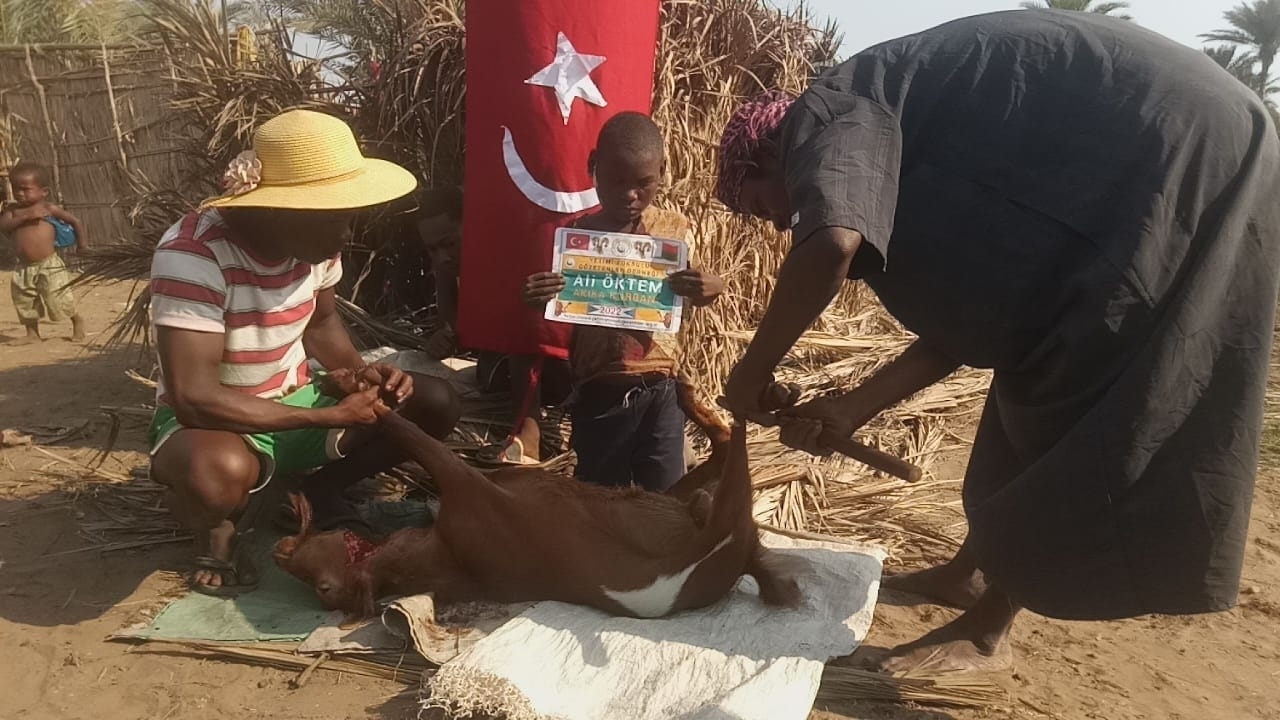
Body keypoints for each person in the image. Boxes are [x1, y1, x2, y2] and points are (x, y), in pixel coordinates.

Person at [715, 10, 1280, 674]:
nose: (777, 222)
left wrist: (750, 373)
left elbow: (831, 246)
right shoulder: (901, 151)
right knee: (1029, 344)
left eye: (757, 203)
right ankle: (971, 574)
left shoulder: (824, 113)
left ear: (769, 153)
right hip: (1170, 149)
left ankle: (988, 631)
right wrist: (850, 408)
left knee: (1069, 386)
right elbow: (977, 322)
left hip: (1185, 154)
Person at [147, 110, 462, 596]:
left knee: (434, 402)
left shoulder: (312, 243)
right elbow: (194, 398)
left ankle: (311, 492)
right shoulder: (194, 255)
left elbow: (321, 323)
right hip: (214, 424)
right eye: (336, 219)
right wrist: (329, 416)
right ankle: (215, 523)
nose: (346, 234)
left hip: (295, 398)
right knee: (216, 476)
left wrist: (360, 374)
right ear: (280, 211)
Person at [521, 111, 724, 492]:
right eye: (617, 181)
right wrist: (537, 296)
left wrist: (711, 287)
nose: (630, 195)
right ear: (593, 167)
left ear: (662, 172)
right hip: (598, 394)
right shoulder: (577, 237)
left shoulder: (675, 231)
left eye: (643, 184)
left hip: (661, 389)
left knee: (665, 500)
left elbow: (697, 289)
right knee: (602, 501)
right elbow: (559, 301)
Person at [1, 161, 86, 343]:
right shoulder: (13, 211)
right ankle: (32, 334)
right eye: (16, 189)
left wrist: (82, 246)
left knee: (58, 296)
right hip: (24, 267)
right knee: (25, 300)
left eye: (25, 189)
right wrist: (26, 217)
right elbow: (4, 226)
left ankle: (76, 319)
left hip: (49, 264)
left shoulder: (48, 209)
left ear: (44, 191)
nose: (19, 193)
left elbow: (75, 221)